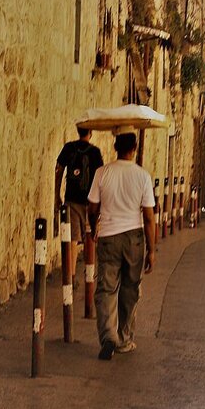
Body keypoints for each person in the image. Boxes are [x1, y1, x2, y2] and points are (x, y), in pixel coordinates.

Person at [87, 127, 155, 361]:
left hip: (108, 235)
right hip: (134, 238)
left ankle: (108, 337)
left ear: (115, 147)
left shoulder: (102, 173)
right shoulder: (142, 176)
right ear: (134, 149)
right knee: (130, 289)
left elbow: (93, 206)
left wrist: (93, 224)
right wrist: (152, 250)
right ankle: (124, 339)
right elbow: (148, 216)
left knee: (106, 288)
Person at [55, 127, 103, 287]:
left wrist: (57, 194)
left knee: (73, 239)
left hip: (72, 200)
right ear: (91, 133)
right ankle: (89, 274)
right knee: (90, 236)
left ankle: (71, 276)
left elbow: (59, 169)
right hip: (90, 201)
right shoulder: (95, 152)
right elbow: (100, 177)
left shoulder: (69, 148)